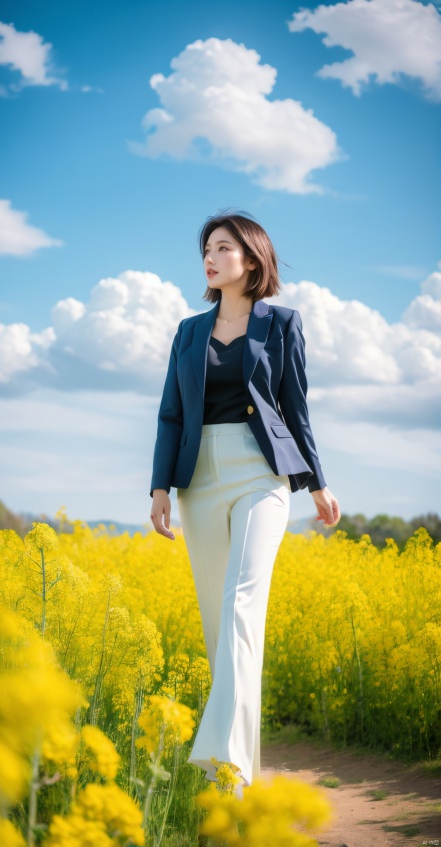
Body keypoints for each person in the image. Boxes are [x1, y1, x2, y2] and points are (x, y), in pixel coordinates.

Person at [149, 210, 340, 796]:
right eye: (207, 248)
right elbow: (170, 412)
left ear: (252, 259)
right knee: (221, 632)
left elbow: (295, 406)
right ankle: (238, 785)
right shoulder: (187, 330)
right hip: (198, 477)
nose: (210, 256)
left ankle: (215, 760)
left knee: (239, 606)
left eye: (223, 247)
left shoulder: (282, 323)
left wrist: (318, 482)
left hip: (262, 474)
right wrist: (159, 486)